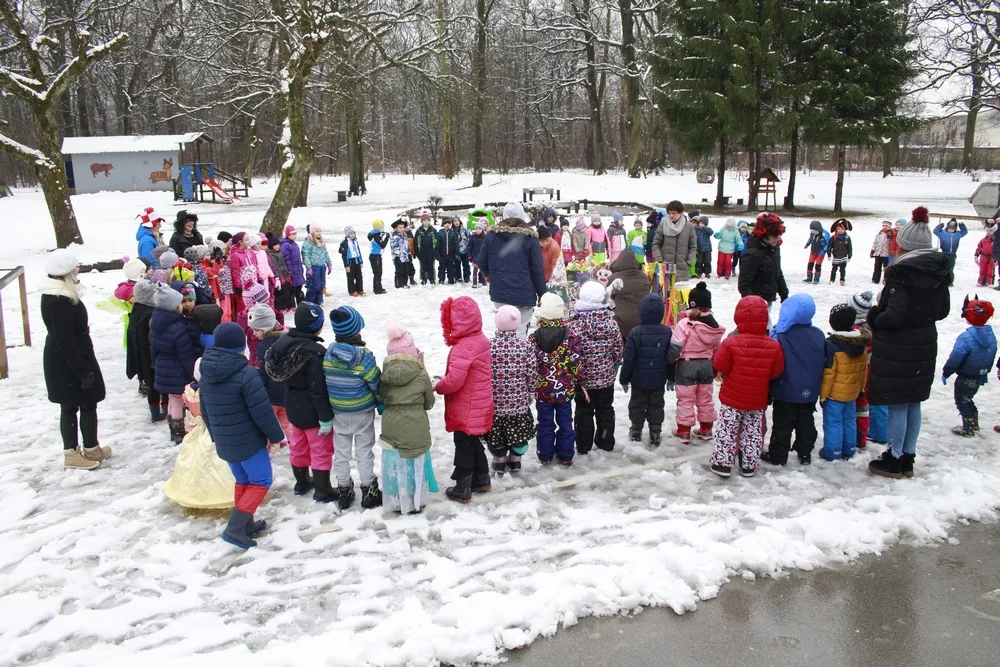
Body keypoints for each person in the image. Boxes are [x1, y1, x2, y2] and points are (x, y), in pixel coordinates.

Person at [867, 206, 952, 479]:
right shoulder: (937, 272)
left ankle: (893, 458)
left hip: (899, 348)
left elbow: (893, 315)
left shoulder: (902, 273)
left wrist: (874, 315)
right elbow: (942, 311)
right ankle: (907, 457)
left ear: (904, 244)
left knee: (898, 403)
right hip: (924, 344)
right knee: (913, 402)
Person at [199, 323, 286, 549]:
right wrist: (276, 437)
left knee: (244, 480)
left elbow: (205, 410)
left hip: (224, 439)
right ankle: (235, 528)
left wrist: (215, 435)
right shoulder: (247, 374)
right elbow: (262, 411)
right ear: (242, 346)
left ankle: (246, 524)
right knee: (261, 480)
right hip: (248, 441)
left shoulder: (206, 373)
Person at [41, 250, 111, 471]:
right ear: (65, 272)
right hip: (67, 360)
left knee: (89, 402)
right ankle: (71, 452)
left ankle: (91, 447)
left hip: (75, 355)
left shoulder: (63, 293)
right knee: (70, 405)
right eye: (75, 267)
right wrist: (81, 371)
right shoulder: (58, 300)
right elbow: (64, 340)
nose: (78, 269)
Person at [263, 302, 337, 502]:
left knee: (298, 444)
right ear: (317, 326)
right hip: (312, 408)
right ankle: (323, 490)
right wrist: (325, 416)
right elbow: (317, 389)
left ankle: (302, 482)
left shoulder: (282, 343)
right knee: (320, 448)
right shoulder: (314, 352)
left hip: (292, 403)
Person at [711, 296, 784, 478]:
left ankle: (723, 463)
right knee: (752, 431)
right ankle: (749, 464)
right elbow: (776, 371)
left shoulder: (731, 342)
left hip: (732, 398)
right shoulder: (773, 346)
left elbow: (721, 365)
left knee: (727, 430)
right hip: (757, 398)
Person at [322, 305, 383, 509]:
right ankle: (369, 490)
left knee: (341, 452)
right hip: (362, 410)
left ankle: (344, 490)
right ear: (357, 329)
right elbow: (375, 382)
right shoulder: (364, 356)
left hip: (338, 410)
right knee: (364, 450)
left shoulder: (328, 355)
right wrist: (380, 402)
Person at [435, 296, 494, 502]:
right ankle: (482, 477)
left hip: (466, 406)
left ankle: (463, 486)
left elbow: (454, 382)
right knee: (472, 440)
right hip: (480, 402)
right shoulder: (480, 339)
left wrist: (438, 385)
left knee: (463, 444)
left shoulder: (463, 347)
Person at [379, 324, 439, 513]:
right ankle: (416, 500)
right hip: (416, 426)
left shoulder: (384, 376)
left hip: (391, 426)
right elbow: (429, 403)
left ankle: (398, 500)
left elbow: (383, 399)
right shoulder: (421, 375)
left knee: (395, 461)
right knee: (414, 461)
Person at [762, 294, 825, 466]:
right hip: (810, 390)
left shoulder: (780, 336)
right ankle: (805, 453)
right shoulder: (818, 335)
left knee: (782, 425)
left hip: (785, 389)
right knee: (806, 422)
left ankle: (778, 455)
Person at [476, 202, 548, 337]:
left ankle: (503, 355)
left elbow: (481, 261)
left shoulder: (492, 236)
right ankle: (519, 354)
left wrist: (488, 275)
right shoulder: (530, 238)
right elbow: (537, 268)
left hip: (500, 291)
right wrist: (542, 293)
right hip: (524, 292)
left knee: (505, 326)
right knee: (521, 328)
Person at [570, 281, 624, 454]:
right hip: (605, 378)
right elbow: (618, 349)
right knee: (605, 409)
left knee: (583, 412)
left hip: (583, 381)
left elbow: (572, 354)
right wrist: (614, 363)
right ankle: (605, 441)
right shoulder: (611, 324)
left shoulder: (576, 326)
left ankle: (583, 445)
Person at [667, 282, 725, 444]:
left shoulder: (685, 324)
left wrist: (668, 362)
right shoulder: (714, 327)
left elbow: (676, 347)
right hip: (707, 365)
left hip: (687, 366)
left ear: (691, 304)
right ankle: (706, 428)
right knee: (705, 398)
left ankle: (684, 430)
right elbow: (717, 349)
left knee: (686, 398)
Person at [532, 293, 584, 465]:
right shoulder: (570, 337)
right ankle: (566, 454)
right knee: (565, 422)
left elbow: (531, 363)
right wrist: (580, 379)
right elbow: (575, 361)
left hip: (543, 390)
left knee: (545, 423)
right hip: (565, 390)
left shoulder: (533, 338)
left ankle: (545, 454)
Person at [484, 306, 536, 476]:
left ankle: (499, 460)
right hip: (518, 403)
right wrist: (531, 391)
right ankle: (516, 459)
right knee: (518, 434)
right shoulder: (524, 345)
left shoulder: (489, 346)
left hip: (496, 403)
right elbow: (531, 371)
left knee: (497, 435)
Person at [818, 304, 870, 461]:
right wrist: (860, 389)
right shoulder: (861, 344)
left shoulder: (832, 345)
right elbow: (863, 371)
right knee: (849, 420)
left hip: (834, 394)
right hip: (853, 393)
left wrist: (823, 396)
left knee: (833, 422)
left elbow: (829, 373)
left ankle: (832, 451)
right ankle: (850, 448)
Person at [150, 284, 201, 444]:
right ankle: (179, 431)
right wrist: (192, 372)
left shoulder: (155, 324)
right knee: (178, 399)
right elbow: (185, 354)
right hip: (177, 370)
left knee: (173, 398)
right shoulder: (178, 328)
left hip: (163, 367)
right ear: (173, 307)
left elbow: (154, 348)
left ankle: (173, 427)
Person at [620, 294, 672, 446]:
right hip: (658, 379)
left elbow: (628, 359)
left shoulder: (635, 333)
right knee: (657, 405)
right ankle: (655, 432)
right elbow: (670, 357)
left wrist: (624, 378)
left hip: (638, 380)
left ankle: (636, 430)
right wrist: (671, 377)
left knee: (637, 405)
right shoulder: (667, 332)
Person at [942, 297, 997, 436]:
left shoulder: (966, 338)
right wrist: (984, 372)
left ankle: (969, 428)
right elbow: (991, 354)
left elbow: (956, 357)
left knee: (962, 401)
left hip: (965, 376)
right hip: (978, 375)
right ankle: (973, 422)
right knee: (968, 399)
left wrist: (947, 371)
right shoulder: (991, 336)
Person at [844, 291, 885, 449]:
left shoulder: (857, 331)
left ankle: (860, 435)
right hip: (876, 368)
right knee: (871, 402)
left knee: (860, 404)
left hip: (861, 372)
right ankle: (875, 433)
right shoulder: (875, 325)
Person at [738, 212, 788, 324]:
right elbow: (744, 285)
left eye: (779, 235)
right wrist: (756, 305)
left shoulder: (774, 248)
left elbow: (777, 272)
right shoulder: (752, 254)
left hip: (769, 296)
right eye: (775, 236)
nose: (778, 239)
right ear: (764, 234)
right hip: (755, 304)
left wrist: (784, 294)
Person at [128, 279, 167, 422]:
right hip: (153, 356)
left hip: (142, 356)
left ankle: (155, 412)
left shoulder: (136, 310)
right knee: (161, 385)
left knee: (152, 386)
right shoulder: (151, 314)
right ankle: (164, 410)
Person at [249, 303, 289, 434]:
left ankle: (272, 442)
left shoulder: (263, 346)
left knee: (269, 421)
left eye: (256, 330)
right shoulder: (285, 338)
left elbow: (263, 371)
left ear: (265, 328)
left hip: (271, 393)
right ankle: (293, 442)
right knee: (286, 421)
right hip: (286, 390)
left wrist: (259, 386)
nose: (254, 333)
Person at [607, 249, 649, 341]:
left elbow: (607, 300)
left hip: (621, 324)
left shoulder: (613, 278)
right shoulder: (644, 277)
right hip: (643, 321)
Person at [651, 200, 697, 278]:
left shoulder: (689, 227)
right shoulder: (663, 225)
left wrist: (689, 262)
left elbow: (693, 246)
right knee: (668, 288)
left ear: (680, 213)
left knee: (681, 289)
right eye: (669, 213)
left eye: (674, 213)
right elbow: (656, 244)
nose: (671, 215)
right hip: (667, 264)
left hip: (682, 266)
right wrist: (660, 259)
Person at [302, 224, 333, 303]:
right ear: (312, 232)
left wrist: (329, 264)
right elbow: (306, 255)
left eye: (320, 231)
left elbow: (325, 253)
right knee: (314, 286)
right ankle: (310, 302)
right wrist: (309, 267)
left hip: (322, 266)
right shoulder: (308, 242)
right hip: (314, 267)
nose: (319, 233)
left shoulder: (322, 242)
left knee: (321, 285)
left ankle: (319, 301)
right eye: (317, 231)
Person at [266, 235, 296, 316]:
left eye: (278, 244)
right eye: (275, 245)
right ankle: (280, 307)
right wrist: (279, 277)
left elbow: (283, 264)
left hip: (284, 274)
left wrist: (287, 274)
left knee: (287, 291)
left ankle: (289, 305)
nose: (277, 246)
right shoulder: (271, 255)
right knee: (280, 293)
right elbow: (276, 267)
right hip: (279, 276)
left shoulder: (279, 253)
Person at [279, 225, 306, 304]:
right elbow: (286, 259)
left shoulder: (295, 244)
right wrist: (289, 270)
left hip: (298, 271)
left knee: (299, 288)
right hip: (292, 272)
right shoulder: (285, 246)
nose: (294, 236)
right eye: (292, 234)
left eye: (295, 234)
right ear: (288, 235)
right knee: (292, 290)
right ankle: (292, 305)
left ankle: (301, 304)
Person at [338, 226, 365, 297]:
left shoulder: (355, 241)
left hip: (356, 260)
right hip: (350, 261)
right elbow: (344, 255)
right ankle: (352, 291)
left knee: (359, 276)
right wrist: (346, 265)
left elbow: (358, 251)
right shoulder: (345, 243)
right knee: (351, 277)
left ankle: (360, 289)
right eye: (351, 233)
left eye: (353, 233)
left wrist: (361, 261)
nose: (353, 235)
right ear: (347, 234)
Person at [414, 213, 438, 285]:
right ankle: (424, 278)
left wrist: (436, 251)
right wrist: (417, 252)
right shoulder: (419, 231)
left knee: (431, 265)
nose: (426, 222)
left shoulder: (433, 230)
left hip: (431, 251)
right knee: (423, 266)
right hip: (422, 251)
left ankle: (432, 278)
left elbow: (437, 241)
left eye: (428, 220)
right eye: (424, 220)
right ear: (422, 222)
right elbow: (415, 242)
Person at [390, 218, 414, 289]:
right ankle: (399, 284)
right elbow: (394, 247)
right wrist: (398, 256)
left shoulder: (405, 236)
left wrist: (409, 253)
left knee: (406, 270)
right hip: (398, 257)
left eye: (403, 227)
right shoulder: (394, 237)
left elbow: (407, 245)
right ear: (395, 228)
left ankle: (405, 283)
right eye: (400, 227)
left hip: (405, 257)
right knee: (399, 271)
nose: (402, 229)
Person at [828, 219, 853, 286]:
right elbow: (829, 246)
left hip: (843, 257)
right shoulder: (833, 237)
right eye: (838, 229)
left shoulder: (847, 238)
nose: (840, 231)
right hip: (836, 256)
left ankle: (842, 280)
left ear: (845, 230)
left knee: (842, 270)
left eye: (841, 229)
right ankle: (832, 280)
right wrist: (829, 254)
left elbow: (850, 247)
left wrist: (849, 255)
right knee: (834, 270)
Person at [436, 215, 461, 284]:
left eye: (448, 223)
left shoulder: (453, 233)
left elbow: (456, 244)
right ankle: (441, 279)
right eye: (445, 223)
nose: (447, 225)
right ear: (443, 225)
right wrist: (437, 254)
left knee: (451, 268)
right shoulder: (440, 233)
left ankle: (451, 279)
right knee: (441, 268)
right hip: (442, 255)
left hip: (451, 255)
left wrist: (456, 253)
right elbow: (437, 244)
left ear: (450, 224)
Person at [367, 220, 390, 294]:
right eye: (381, 227)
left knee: (378, 272)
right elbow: (382, 245)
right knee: (378, 273)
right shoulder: (376, 236)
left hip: (375, 256)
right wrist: (386, 238)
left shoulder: (374, 234)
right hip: (375, 256)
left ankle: (377, 287)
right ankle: (377, 289)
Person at [469, 219, 488, 288]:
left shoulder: (485, 237)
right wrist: (470, 255)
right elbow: (469, 246)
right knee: (475, 271)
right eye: (476, 228)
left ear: (482, 229)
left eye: (479, 229)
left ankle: (484, 282)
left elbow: (487, 247)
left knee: (482, 271)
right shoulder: (472, 237)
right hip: (475, 257)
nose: (478, 230)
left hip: (482, 258)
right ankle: (474, 283)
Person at [454, 217, 472, 283]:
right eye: (454, 221)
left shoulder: (464, 229)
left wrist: (468, 247)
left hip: (465, 250)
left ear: (460, 221)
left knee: (466, 265)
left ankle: (467, 277)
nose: (456, 222)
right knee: (456, 265)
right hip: (456, 252)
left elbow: (470, 237)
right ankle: (458, 277)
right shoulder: (452, 230)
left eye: (457, 220)